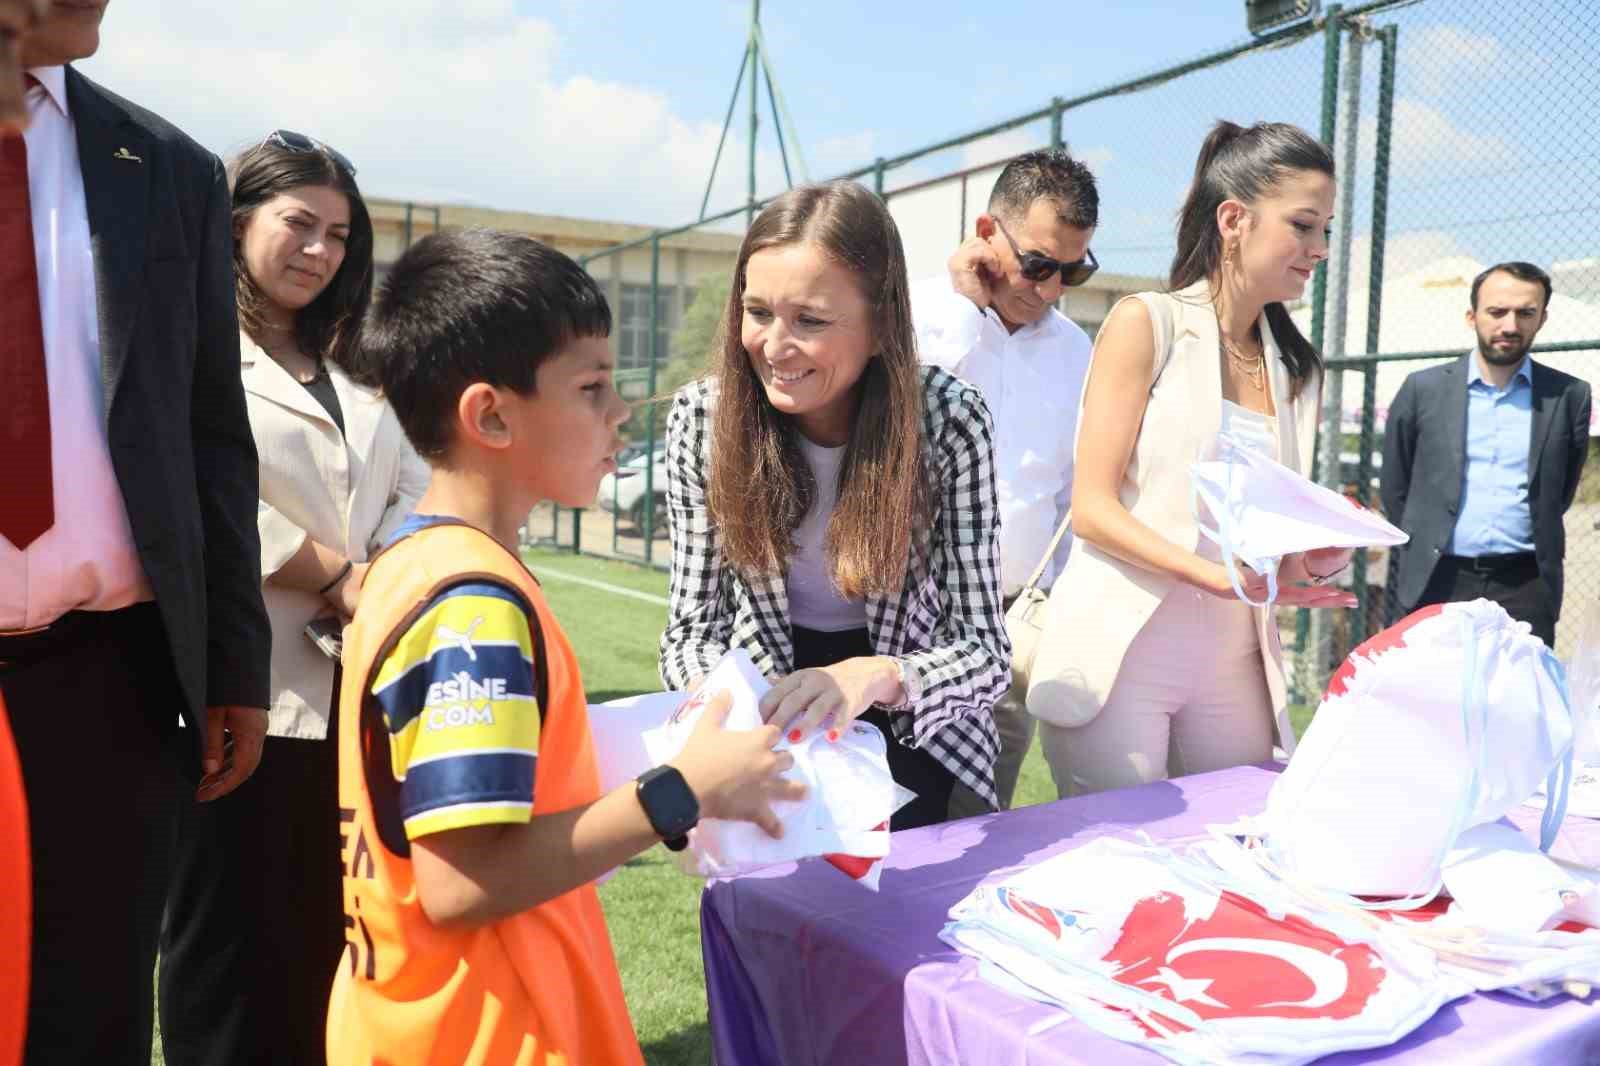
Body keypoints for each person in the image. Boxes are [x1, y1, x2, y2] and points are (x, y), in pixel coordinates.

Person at [326, 229, 804, 1066]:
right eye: (591, 388)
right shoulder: (471, 607)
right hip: (484, 1033)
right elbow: (462, 882)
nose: (620, 412)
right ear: (491, 415)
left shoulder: (416, 560)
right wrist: (681, 791)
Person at [0, 3, 272, 1063]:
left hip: (106, 681)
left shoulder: (166, 168)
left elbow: (213, 433)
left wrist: (234, 666)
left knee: (91, 1010)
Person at [157, 133, 429, 1066]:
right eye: (299, 224)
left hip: (360, 693)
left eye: (341, 235)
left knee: (332, 931)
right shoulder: (186, 342)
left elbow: (412, 489)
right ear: (236, 226)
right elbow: (195, 489)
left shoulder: (365, 362)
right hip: (242, 682)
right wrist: (333, 575)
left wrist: (385, 575)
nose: (321, 251)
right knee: (226, 940)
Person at [659, 180, 1011, 829]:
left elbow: (985, 655)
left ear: (880, 326)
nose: (773, 344)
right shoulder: (703, 420)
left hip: (909, 722)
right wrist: (738, 711)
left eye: (811, 321)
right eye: (757, 311)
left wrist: (873, 677)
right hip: (758, 714)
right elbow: (689, 635)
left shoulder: (949, 420)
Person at [1028, 121, 1355, 799]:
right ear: (1235, 219)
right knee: (1119, 867)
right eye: (1303, 225)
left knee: (1234, 860)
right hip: (1122, 656)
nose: (1319, 249)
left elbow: (1263, 542)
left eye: (1325, 229)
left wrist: (1315, 556)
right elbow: (1091, 510)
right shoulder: (1146, 322)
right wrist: (1211, 574)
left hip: (1236, 659)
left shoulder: (1299, 369)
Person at [913, 148, 1098, 809]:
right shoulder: (910, 319)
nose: (1048, 289)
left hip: (1008, 636)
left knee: (976, 827)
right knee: (881, 835)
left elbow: (1074, 493)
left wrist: (1054, 605)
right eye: (1038, 264)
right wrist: (968, 313)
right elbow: (905, 430)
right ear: (986, 232)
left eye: (1072, 271)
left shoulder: (1077, 352)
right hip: (900, 625)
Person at [1380, 262, 1591, 648]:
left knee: (1517, 705)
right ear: (1471, 315)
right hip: (1435, 578)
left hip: (1526, 585)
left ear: (1542, 319)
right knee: (1432, 700)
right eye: (1497, 311)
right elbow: (1395, 488)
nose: (1510, 325)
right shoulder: (1421, 390)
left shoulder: (1569, 396)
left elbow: (1558, 493)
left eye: (1526, 313)